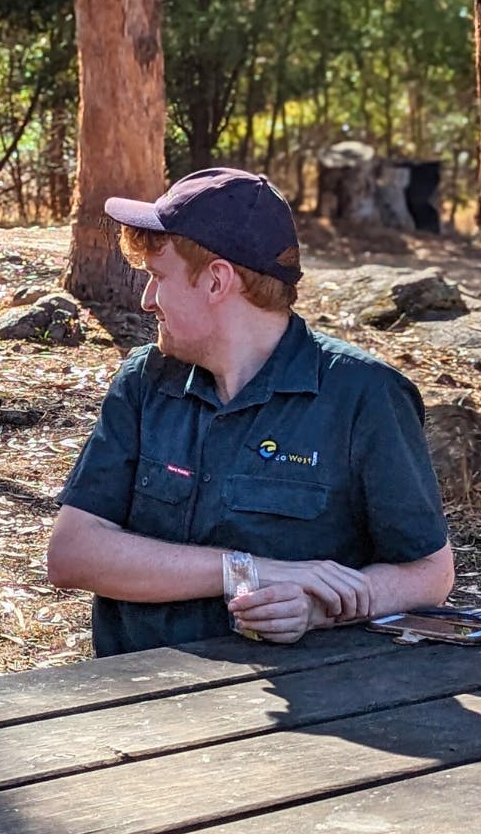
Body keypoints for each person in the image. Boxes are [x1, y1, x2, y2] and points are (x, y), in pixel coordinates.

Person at [46, 167, 454, 656]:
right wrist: (247, 569)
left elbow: (430, 574)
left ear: (217, 280)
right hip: (131, 705)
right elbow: (71, 554)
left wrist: (319, 608)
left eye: (157, 277)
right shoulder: (145, 380)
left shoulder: (363, 396)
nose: (146, 300)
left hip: (310, 710)